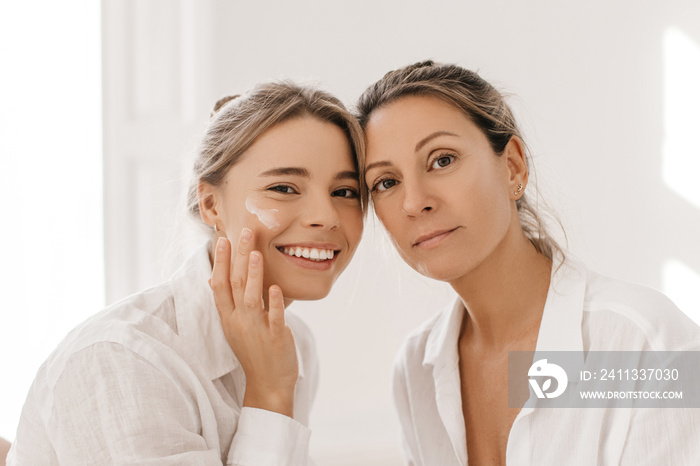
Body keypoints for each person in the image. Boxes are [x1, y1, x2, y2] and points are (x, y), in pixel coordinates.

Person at [355, 61, 700, 465]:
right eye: (386, 182)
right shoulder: (417, 368)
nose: (415, 202)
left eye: (442, 160)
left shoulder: (646, 345)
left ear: (513, 165)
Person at [7, 81, 365, 465]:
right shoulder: (120, 360)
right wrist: (269, 394)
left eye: (345, 192)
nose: (326, 217)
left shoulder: (292, 342)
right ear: (210, 203)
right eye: (283, 187)